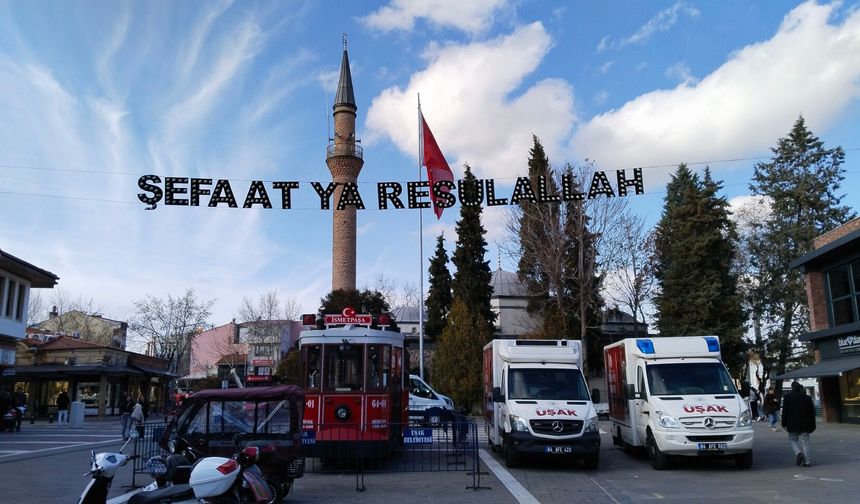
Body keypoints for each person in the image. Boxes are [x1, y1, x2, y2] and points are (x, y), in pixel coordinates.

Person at [781, 381, 816, 467]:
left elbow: (785, 411)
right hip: (806, 424)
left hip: (792, 423)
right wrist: (813, 425)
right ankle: (807, 462)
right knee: (805, 442)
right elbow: (812, 413)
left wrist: (783, 423)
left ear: (792, 388)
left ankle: (798, 453)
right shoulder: (807, 398)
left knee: (792, 440)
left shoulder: (787, 397)